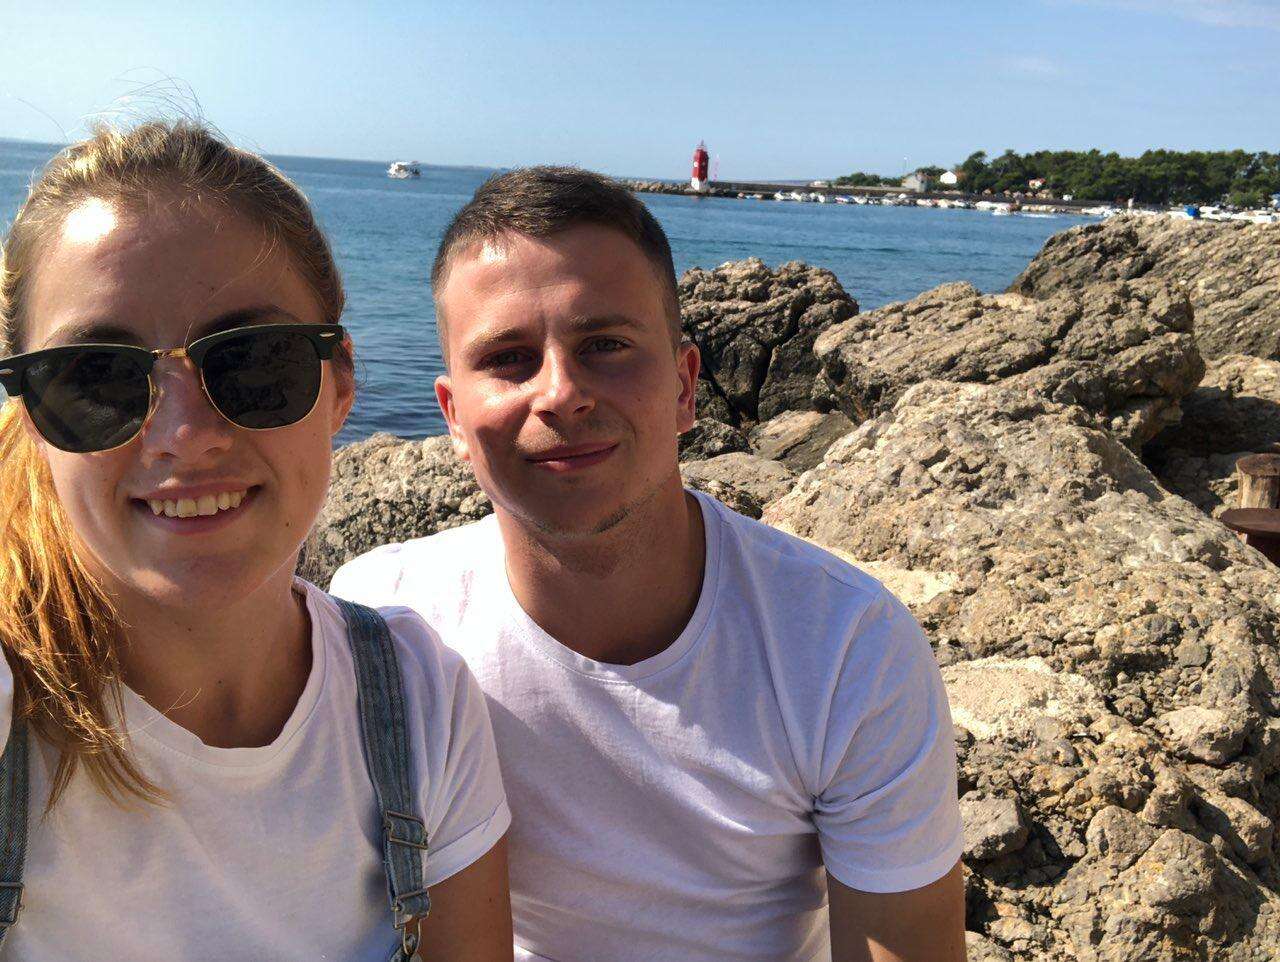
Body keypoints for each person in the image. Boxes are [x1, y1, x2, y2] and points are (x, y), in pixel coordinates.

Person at [331, 167, 966, 961]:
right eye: (509, 357)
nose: (561, 393)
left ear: (685, 385)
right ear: (453, 418)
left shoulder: (844, 646)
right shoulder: (388, 624)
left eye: (606, 345)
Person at [0, 120, 513, 960]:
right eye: (95, 376)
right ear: (32, 416)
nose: (185, 436)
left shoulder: (422, 702)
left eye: (254, 361)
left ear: (339, 385)